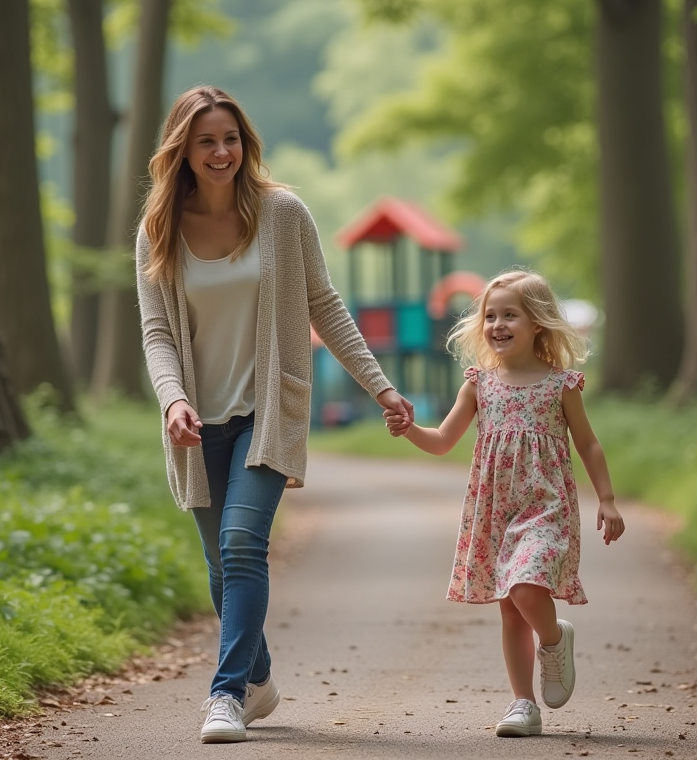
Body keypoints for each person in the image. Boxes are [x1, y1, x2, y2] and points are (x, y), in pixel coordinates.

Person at [135, 85, 413, 744]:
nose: (221, 151)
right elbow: (157, 334)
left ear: (245, 143)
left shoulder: (283, 215)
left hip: (268, 411)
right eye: (206, 141)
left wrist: (381, 388)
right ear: (182, 150)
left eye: (230, 138)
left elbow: (326, 304)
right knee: (218, 563)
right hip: (198, 423)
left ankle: (225, 695)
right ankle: (257, 676)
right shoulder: (158, 231)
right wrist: (173, 400)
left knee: (240, 545)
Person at [383, 268, 625, 738]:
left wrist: (608, 499)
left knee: (526, 586)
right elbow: (441, 441)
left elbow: (588, 444)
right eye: (490, 316)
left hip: (546, 506)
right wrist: (408, 428)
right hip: (495, 510)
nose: (498, 324)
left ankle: (553, 641)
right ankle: (523, 704)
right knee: (510, 607)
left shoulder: (561, 385)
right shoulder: (479, 385)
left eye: (510, 315)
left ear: (537, 323)